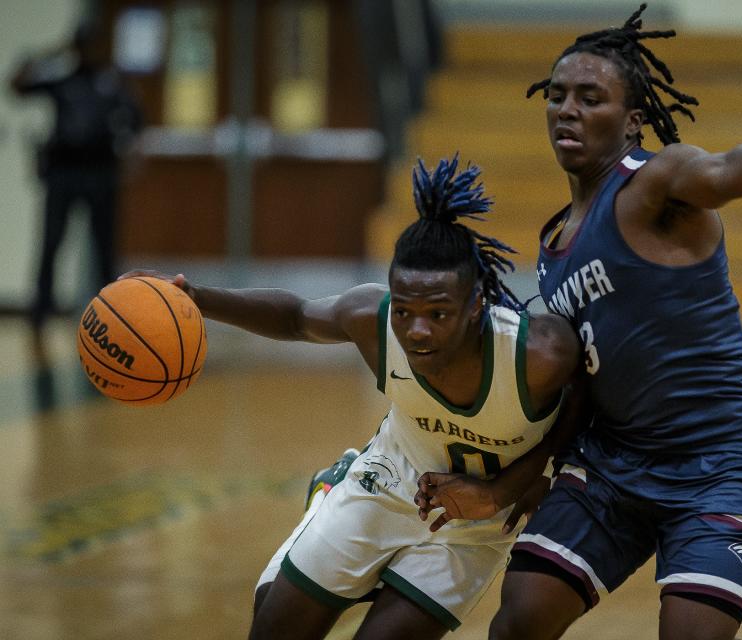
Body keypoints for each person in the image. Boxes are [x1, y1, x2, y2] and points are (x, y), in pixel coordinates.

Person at [414, 5, 742, 639]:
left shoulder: (657, 183)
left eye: (590, 97)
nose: (566, 109)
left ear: (633, 122)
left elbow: (722, 173)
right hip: (613, 465)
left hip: (717, 461)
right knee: (519, 619)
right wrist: (508, 485)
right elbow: (577, 390)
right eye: (556, 96)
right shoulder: (554, 242)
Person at [123, 156, 581, 640]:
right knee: (271, 623)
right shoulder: (372, 318)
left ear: (475, 306)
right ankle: (334, 491)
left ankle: (330, 503)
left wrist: (504, 491)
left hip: (474, 524)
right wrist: (194, 296)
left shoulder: (539, 353)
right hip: (388, 481)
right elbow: (297, 317)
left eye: (438, 314)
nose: (417, 330)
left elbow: (582, 405)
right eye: (404, 311)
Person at [10, 19, 142, 337]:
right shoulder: (61, 80)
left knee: (104, 249)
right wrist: (51, 53)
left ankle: (110, 312)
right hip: (63, 173)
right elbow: (16, 85)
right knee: (51, 243)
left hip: (100, 173)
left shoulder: (111, 83)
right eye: (81, 46)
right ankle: (40, 310)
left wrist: (129, 156)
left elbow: (136, 121)